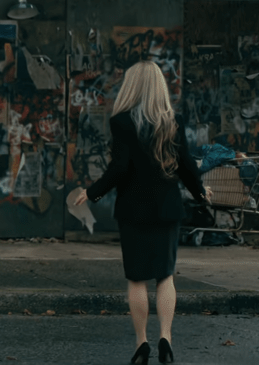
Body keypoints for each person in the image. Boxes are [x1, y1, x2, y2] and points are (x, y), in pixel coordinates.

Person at [74, 60, 212, 364]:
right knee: (165, 277)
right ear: (159, 86)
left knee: (137, 279)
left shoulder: (122, 122)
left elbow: (119, 168)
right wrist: (200, 191)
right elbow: (186, 164)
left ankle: (141, 343)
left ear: (132, 86)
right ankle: (166, 337)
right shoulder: (172, 120)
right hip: (167, 209)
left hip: (133, 210)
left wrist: (93, 191)